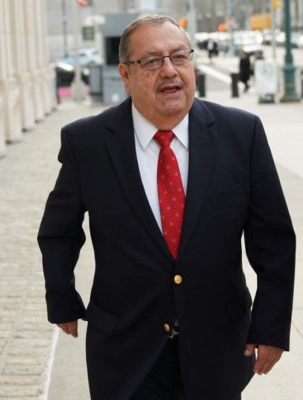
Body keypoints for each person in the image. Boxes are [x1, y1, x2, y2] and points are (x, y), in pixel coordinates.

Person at [37, 14, 295, 400]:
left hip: (218, 346)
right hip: (125, 349)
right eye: (152, 61)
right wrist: (61, 297)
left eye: (179, 56)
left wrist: (271, 326)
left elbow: (274, 242)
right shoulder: (87, 142)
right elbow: (59, 231)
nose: (170, 70)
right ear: (126, 76)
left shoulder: (242, 133)